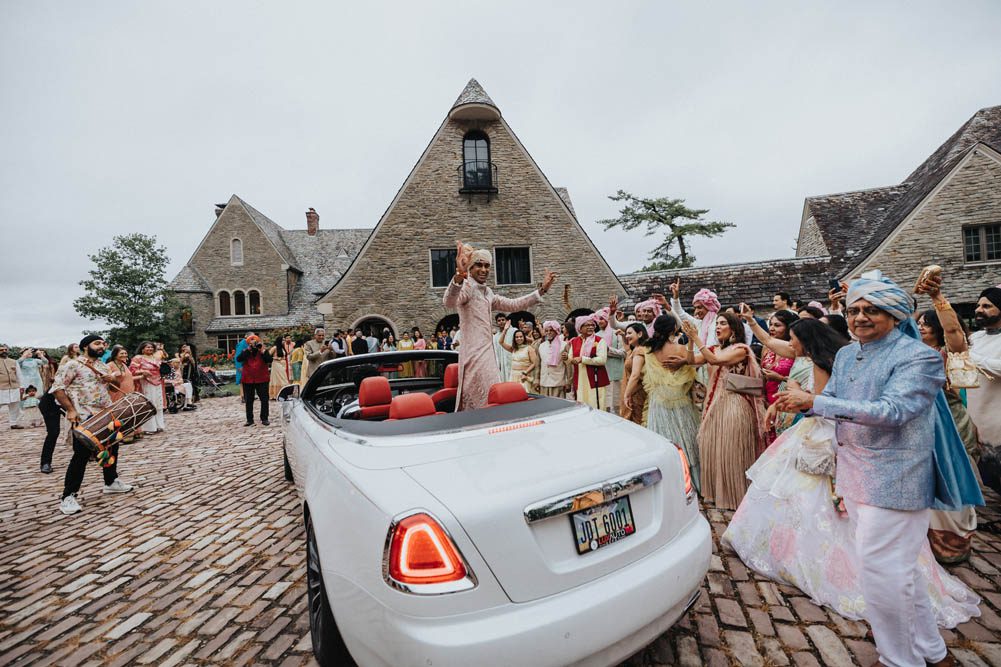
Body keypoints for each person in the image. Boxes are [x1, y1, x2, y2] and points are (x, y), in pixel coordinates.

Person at [773, 272, 983, 667]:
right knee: (900, 571)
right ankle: (934, 653)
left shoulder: (918, 357)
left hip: (897, 479)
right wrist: (801, 402)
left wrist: (815, 403)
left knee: (879, 574)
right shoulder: (848, 355)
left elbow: (893, 411)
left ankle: (897, 660)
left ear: (894, 314)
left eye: (872, 310)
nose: (859, 317)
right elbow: (832, 399)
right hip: (854, 474)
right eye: (854, 310)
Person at [723, 318, 981, 632]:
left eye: (793, 339)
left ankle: (844, 575)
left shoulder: (830, 365)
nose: (790, 345)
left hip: (836, 440)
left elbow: (828, 408)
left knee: (822, 510)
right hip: (842, 438)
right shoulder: (840, 358)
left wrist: (799, 394)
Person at [915, 275, 982, 563]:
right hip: (921, 426)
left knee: (953, 478)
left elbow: (954, 331)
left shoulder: (949, 354)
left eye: (926, 323)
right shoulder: (911, 352)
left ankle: (953, 540)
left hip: (951, 423)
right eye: (918, 323)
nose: (920, 327)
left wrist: (937, 298)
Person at [443, 241, 555, 410]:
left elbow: (515, 304)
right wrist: (459, 275)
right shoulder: (467, 287)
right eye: (479, 265)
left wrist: (542, 290)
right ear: (470, 268)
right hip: (474, 356)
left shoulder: (487, 293)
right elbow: (449, 301)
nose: (483, 269)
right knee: (484, 401)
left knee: (494, 397)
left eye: (487, 266)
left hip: (489, 354)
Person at [685, 313, 767, 510]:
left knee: (731, 450)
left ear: (734, 328)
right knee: (713, 447)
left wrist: (697, 337)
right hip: (715, 404)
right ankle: (718, 494)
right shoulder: (715, 348)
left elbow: (714, 360)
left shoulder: (741, 349)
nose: (718, 327)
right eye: (717, 324)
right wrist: (690, 341)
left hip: (735, 404)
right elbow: (691, 360)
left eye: (723, 323)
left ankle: (737, 497)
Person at [50, 334, 134, 515]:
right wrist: (70, 410)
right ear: (85, 347)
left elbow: (114, 386)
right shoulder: (73, 365)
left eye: (103, 343)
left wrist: (112, 380)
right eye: (97, 343)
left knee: (112, 447)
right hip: (83, 415)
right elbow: (57, 388)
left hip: (105, 413)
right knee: (81, 455)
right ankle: (68, 496)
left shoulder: (102, 365)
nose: (101, 346)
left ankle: (111, 482)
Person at [625, 315, 701, 491]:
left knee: (662, 439)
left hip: (658, 402)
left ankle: (667, 483)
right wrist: (691, 342)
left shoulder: (647, 349)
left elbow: (636, 375)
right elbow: (692, 363)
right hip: (681, 402)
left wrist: (627, 394)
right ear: (674, 329)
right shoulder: (680, 348)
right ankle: (691, 482)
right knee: (686, 439)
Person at [967, 285, 1001, 495]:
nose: (979, 310)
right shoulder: (975, 339)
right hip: (976, 423)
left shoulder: (971, 348)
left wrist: (970, 356)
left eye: (987, 306)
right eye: (978, 305)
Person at [566, 314, 609, 408]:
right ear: (580, 328)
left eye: (592, 325)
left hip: (595, 379)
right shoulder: (575, 341)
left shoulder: (599, 341)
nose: (590, 327)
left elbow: (602, 360)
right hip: (580, 379)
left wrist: (583, 359)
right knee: (582, 405)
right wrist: (567, 358)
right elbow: (571, 358)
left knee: (596, 405)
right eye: (587, 325)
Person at [130, 342, 166, 434]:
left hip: (158, 381)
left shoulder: (156, 358)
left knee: (158, 403)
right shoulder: (138, 358)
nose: (150, 349)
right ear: (142, 349)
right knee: (149, 403)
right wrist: (143, 371)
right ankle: (149, 428)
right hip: (146, 382)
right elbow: (132, 370)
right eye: (147, 347)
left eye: (151, 347)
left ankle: (159, 425)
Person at [237, 334, 272, 426]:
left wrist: (262, 351)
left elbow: (269, 360)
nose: (254, 345)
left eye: (255, 343)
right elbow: (239, 359)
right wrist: (248, 349)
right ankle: (249, 419)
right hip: (248, 379)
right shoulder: (246, 351)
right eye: (251, 343)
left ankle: (264, 418)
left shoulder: (263, 351)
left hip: (262, 378)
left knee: (264, 399)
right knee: (249, 400)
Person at [595, 307, 626, 412]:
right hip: (601, 374)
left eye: (602, 319)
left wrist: (608, 350)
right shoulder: (596, 336)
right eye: (598, 319)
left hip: (616, 374)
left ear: (607, 319)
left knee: (616, 405)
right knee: (604, 405)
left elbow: (624, 352)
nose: (599, 321)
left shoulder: (617, 333)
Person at [619, 323, 650, 424]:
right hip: (632, 391)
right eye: (626, 333)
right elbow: (627, 349)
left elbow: (635, 375)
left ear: (640, 334)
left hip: (636, 393)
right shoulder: (635, 349)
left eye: (629, 333)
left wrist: (627, 394)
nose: (627, 336)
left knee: (637, 422)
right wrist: (623, 336)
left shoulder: (639, 350)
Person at [500, 323, 539, 393]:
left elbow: (534, 363)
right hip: (513, 376)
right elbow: (501, 342)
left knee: (524, 395)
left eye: (521, 337)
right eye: (517, 337)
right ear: (514, 339)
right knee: (514, 396)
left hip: (524, 376)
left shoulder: (529, 348)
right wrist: (505, 330)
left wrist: (525, 373)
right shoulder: (514, 349)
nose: (519, 338)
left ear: (524, 338)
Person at [537, 320, 568, 398]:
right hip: (544, 381)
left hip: (558, 382)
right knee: (545, 403)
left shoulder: (564, 345)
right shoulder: (541, 346)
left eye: (551, 330)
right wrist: (536, 380)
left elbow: (568, 365)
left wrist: (568, 382)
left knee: (558, 404)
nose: (548, 332)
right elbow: (538, 364)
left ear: (556, 331)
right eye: (546, 331)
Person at [0, 344, 24, 429]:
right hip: (1, 388)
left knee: (15, 405)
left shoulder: (13, 361)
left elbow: (19, 374)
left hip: (14, 387)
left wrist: (22, 386)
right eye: (1, 350)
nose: (4, 351)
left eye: (5, 350)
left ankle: (13, 423)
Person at [269, 335, 294, 399]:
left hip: (283, 364)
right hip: (277, 364)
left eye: (284, 340)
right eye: (282, 340)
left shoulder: (283, 348)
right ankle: (276, 394)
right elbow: (268, 355)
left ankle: (283, 394)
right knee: (282, 380)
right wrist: (275, 358)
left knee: (283, 379)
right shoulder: (275, 348)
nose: (284, 341)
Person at [493, 313, 514, 381]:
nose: (501, 322)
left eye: (503, 320)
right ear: (496, 323)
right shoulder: (496, 337)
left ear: (506, 321)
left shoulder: (513, 331)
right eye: (499, 320)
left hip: (512, 361)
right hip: (502, 363)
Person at [233, 332, 252, 399]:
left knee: (249, 381)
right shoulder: (242, 344)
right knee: (242, 381)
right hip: (242, 365)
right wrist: (239, 366)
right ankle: (243, 396)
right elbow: (237, 356)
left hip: (248, 365)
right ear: (246, 336)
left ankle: (249, 395)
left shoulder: (249, 344)